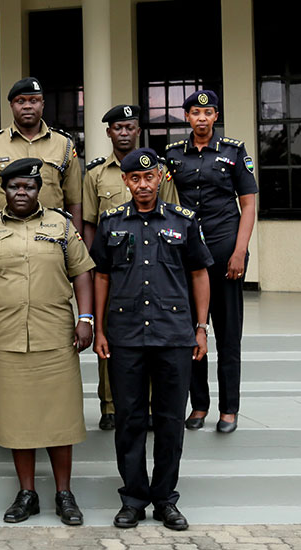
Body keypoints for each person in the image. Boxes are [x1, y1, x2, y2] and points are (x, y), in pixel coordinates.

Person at [90, 148, 212, 531]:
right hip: (126, 336)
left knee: (170, 420)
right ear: (125, 182)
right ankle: (133, 498)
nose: (143, 184)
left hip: (174, 334)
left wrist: (201, 328)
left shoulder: (184, 221)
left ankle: (164, 500)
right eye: (135, 178)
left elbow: (198, 274)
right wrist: (99, 330)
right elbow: (102, 276)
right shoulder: (111, 224)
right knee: (129, 419)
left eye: (149, 177)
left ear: (160, 178)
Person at [0, 158, 94, 526]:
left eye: (28, 186)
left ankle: (64, 493)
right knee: (18, 421)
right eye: (13, 187)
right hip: (6, 338)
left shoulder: (60, 224)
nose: (21, 192)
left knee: (61, 419)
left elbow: (82, 273)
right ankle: (27, 493)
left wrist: (86, 318)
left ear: (38, 189)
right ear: (3, 190)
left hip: (55, 336)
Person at [82, 104, 180, 431]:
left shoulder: (158, 170)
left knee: (152, 335)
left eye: (129, 127)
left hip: (155, 267)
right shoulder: (95, 174)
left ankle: (150, 406)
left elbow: (172, 217)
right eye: (117, 128)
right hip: (115, 271)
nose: (124, 132)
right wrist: (94, 268)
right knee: (110, 333)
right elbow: (90, 225)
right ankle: (110, 405)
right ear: (108, 132)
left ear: (138, 130)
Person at [166, 90, 258, 434]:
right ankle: (199, 404)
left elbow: (248, 205)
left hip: (224, 253)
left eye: (207, 112)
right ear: (186, 116)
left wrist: (240, 251)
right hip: (187, 258)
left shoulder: (234, 152)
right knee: (191, 332)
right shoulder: (173, 155)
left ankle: (229, 408)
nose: (201, 118)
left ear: (215, 116)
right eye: (194, 112)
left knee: (228, 334)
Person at [0, 77, 82, 232]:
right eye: (20, 101)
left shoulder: (64, 145)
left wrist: (74, 243)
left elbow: (74, 202)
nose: (27, 106)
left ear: (43, 105)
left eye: (34, 101)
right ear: (12, 106)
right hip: (5, 237)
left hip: (52, 236)